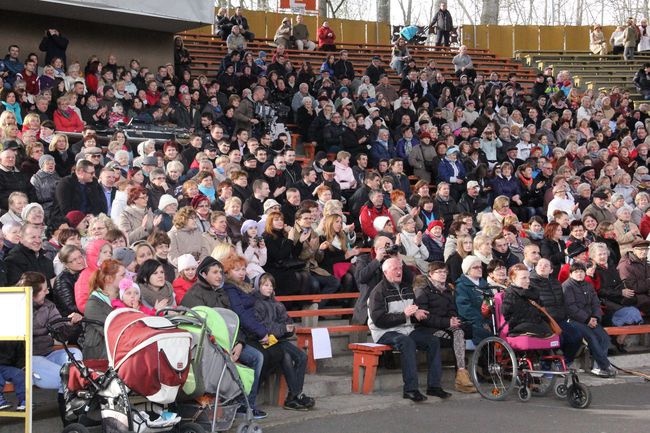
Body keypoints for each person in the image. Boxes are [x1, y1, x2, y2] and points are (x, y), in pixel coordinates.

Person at [180, 256, 267, 419]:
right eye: (214, 272)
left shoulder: (221, 292)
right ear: (204, 274)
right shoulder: (194, 295)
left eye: (220, 272)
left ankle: (246, 405)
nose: (219, 275)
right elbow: (197, 328)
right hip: (209, 346)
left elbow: (234, 320)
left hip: (230, 342)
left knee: (257, 357)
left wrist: (239, 342)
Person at [368, 257, 451, 402]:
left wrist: (416, 313)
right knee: (407, 343)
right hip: (385, 332)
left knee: (433, 341)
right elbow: (379, 321)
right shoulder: (378, 292)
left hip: (407, 329)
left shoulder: (407, 288)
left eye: (400, 268)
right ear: (385, 272)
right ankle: (410, 389)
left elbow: (412, 310)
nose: (399, 271)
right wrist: (404, 315)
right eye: (395, 269)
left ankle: (434, 386)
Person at [20, 271, 82, 424]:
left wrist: (69, 323)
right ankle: (71, 420)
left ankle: (70, 419)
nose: (48, 292)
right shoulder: (16, 306)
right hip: (26, 357)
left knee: (74, 354)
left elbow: (61, 336)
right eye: (44, 289)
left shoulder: (48, 306)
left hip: (46, 353)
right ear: (33, 292)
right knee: (67, 376)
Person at [253, 272, 315, 410]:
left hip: (279, 339)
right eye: (265, 285)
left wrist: (289, 328)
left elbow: (286, 320)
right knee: (286, 357)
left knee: (302, 356)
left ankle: (294, 395)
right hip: (266, 340)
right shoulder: (256, 304)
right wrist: (283, 328)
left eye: (271, 285)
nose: (269, 288)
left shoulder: (277, 304)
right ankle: (295, 396)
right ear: (258, 286)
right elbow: (264, 327)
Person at [414, 262, 476, 393]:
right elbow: (424, 318)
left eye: (444, 272)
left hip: (445, 326)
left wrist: (453, 319)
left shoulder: (447, 289)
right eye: (439, 272)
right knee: (457, 336)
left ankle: (461, 374)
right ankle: (461, 378)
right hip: (427, 329)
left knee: (460, 332)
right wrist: (447, 322)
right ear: (430, 274)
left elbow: (452, 310)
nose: (443, 274)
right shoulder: (423, 290)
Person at [562, 262, 617, 378]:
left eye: (581, 271)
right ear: (571, 274)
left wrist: (596, 317)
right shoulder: (567, 286)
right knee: (592, 338)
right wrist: (587, 319)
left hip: (590, 320)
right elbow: (570, 307)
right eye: (576, 272)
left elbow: (596, 303)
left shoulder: (588, 285)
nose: (579, 274)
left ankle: (598, 366)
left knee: (604, 337)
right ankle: (605, 366)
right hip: (574, 320)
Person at [531, 259, 583, 366]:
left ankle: (566, 362)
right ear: (535, 268)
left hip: (560, 319)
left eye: (546, 265)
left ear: (551, 270)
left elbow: (562, 302)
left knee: (576, 336)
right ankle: (546, 365)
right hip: (544, 320)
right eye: (540, 265)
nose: (542, 267)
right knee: (559, 339)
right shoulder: (531, 282)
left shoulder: (555, 282)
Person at [502, 263, 553, 337]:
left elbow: (541, 311)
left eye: (528, 277)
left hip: (537, 324)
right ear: (513, 279)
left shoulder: (533, 292)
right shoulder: (510, 294)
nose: (528, 281)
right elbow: (507, 315)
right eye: (524, 278)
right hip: (519, 327)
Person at [455, 255, 492, 345]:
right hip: (471, 322)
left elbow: (490, 304)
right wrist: (483, 322)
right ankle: (485, 358)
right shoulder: (461, 286)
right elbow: (465, 309)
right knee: (484, 332)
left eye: (480, 267)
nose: (479, 269)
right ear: (467, 270)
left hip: (488, 320)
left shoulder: (484, 285)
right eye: (475, 267)